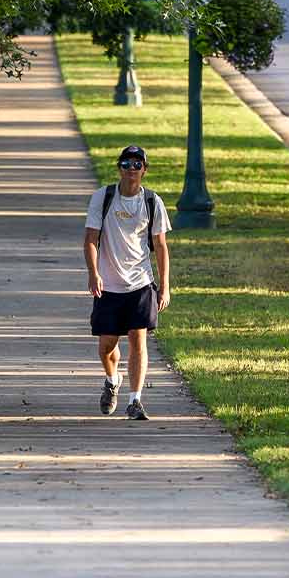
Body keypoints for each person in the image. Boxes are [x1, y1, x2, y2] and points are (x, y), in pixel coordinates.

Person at [83, 145, 171, 419]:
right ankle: (112, 380)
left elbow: (161, 245)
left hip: (140, 282)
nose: (131, 169)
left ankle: (135, 400)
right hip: (108, 284)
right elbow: (90, 239)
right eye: (126, 164)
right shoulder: (103, 197)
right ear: (118, 167)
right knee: (106, 346)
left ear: (144, 170)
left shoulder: (152, 202)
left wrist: (165, 286)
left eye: (137, 164)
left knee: (137, 340)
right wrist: (93, 272)